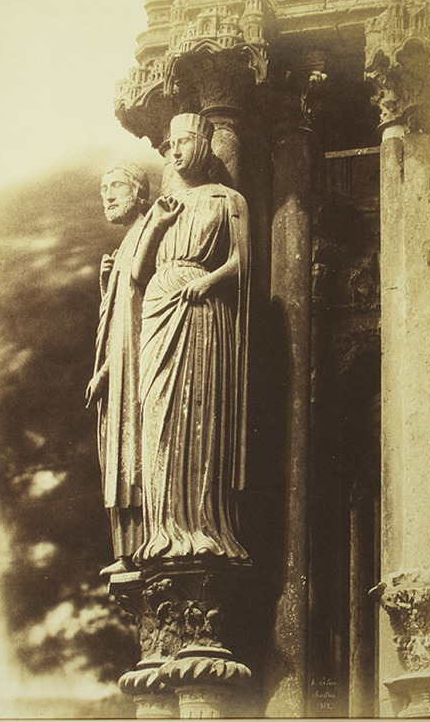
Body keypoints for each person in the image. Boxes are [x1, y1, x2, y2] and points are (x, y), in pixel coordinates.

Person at [131, 113, 251, 564]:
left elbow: (241, 262)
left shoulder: (227, 200)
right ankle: (163, 529)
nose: (174, 152)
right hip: (160, 305)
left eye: (183, 143)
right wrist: (158, 224)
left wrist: (208, 281)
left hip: (201, 308)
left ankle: (200, 525)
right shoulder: (163, 207)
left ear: (203, 146)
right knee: (157, 412)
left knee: (195, 415)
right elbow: (139, 273)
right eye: (170, 145)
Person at [85, 162, 150, 575]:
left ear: (139, 192)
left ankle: (142, 546)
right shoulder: (126, 243)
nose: (108, 195)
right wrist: (106, 289)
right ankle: (126, 551)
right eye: (104, 188)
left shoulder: (147, 235)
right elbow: (117, 320)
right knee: (119, 449)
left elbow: (140, 311)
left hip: (140, 365)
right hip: (121, 368)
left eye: (117, 186)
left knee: (136, 450)